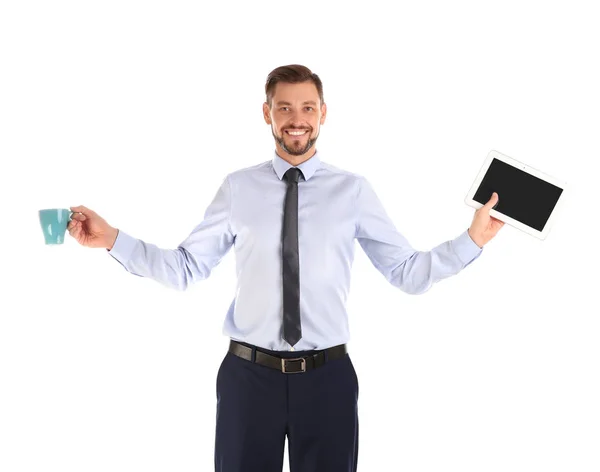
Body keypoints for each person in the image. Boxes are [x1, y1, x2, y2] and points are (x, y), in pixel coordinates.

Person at [67, 64, 504, 472]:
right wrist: (111, 238)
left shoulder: (352, 191)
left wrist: (473, 240)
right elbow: (185, 268)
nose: (298, 119)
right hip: (247, 378)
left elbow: (407, 273)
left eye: (308, 107)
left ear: (324, 113)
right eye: (285, 108)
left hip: (328, 379)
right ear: (267, 113)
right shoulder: (238, 188)